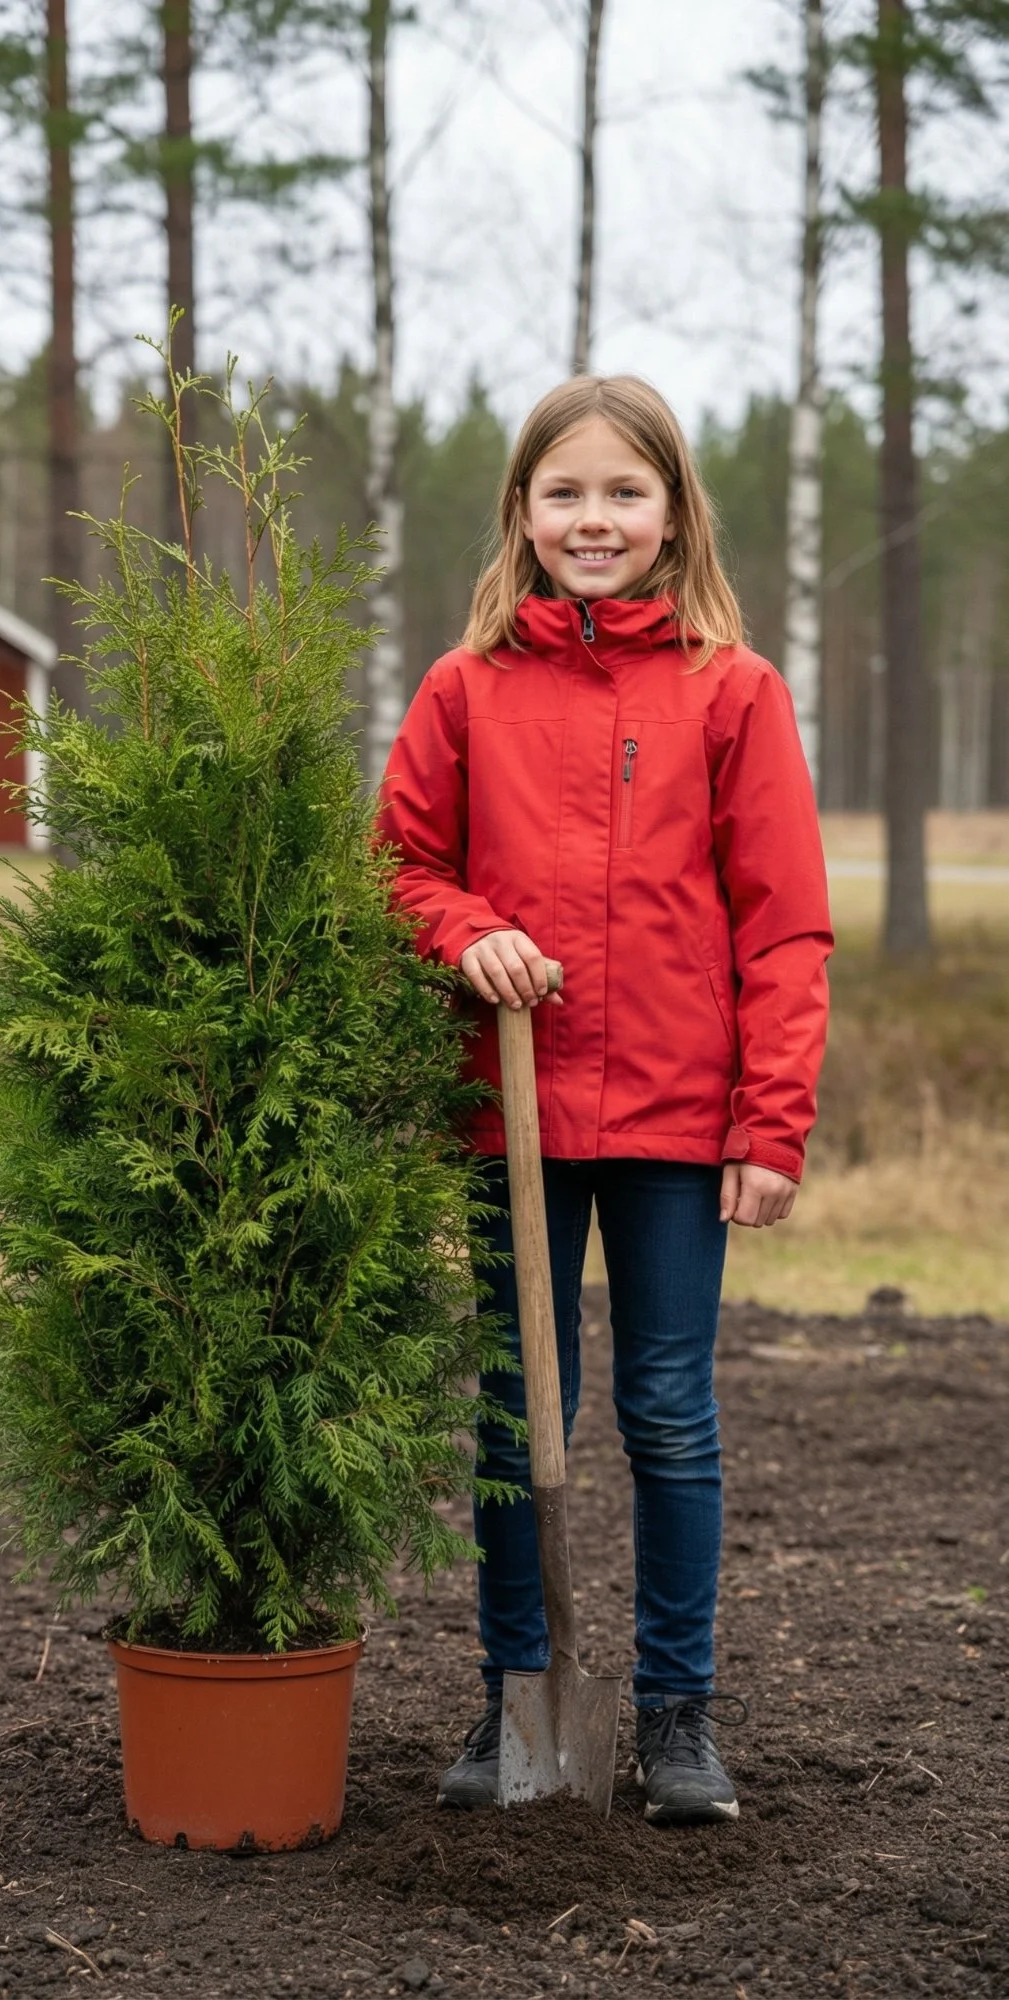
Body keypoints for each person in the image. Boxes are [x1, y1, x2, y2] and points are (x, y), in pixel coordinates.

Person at [376, 375, 832, 1827]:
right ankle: (518, 1699)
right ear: (521, 513)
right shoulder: (465, 689)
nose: (594, 519)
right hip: (508, 1115)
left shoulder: (733, 691)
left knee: (668, 1411)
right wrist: (465, 932)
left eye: (624, 493)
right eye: (564, 493)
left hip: (677, 1121)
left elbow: (784, 925)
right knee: (521, 1412)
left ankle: (679, 1716)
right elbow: (398, 869)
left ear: (673, 514)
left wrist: (772, 1123)